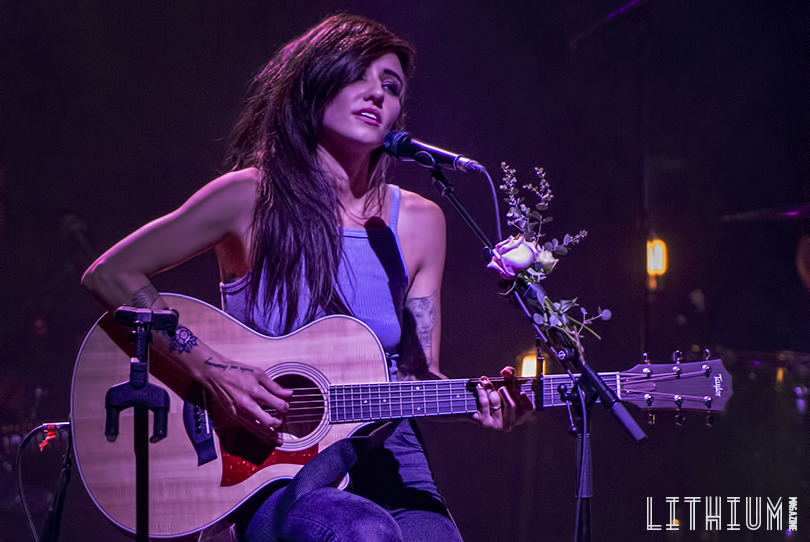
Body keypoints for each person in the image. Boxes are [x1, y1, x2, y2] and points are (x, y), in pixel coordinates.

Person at [82, 14, 532, 542]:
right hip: (263, 463)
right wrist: (214, 371)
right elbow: (111, 273)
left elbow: (414, 375)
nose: (377, 95)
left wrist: (484, 402)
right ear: (313, 87)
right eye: (357, 76)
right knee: (363, 532)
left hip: (388, 454)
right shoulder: (248, 198)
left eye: (391, 87)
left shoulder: (419, 221)